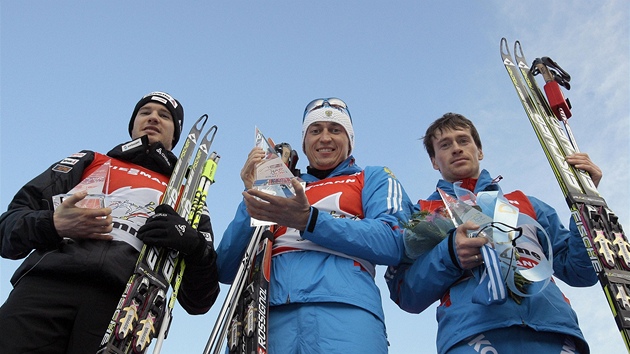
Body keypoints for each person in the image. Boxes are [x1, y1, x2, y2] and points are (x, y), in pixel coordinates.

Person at [0, 91, 219, 353]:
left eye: (164, 116)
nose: (153, 118)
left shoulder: (188, 195)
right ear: (132, 124)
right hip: (43, 289)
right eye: (145, 112)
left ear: (176, 135)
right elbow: (7, 228)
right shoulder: (89, 161)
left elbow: (199, 301)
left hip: (124, 306)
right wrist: (53, 224)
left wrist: (193, 246)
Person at [386, 112, 602, 354]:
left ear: (480, 151)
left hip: (555, 333)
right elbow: (405, 294)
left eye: (463, 140)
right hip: (472, 336)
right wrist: (449, 256)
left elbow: (580, 273)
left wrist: (587, 202)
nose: (456, 149)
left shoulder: (527, 204)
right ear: (434, 161)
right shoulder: (423, 214)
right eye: (445, 145)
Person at [217, 97, 414, 353]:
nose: (324, 138)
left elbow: (395, 241)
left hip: (346, 314)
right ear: (304, 140)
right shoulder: (281, 186)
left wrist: (309, 220)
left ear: (350, 139)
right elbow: (226, 267)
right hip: (268, 316)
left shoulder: (371, 177)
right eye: (315, 130)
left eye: (335, 130)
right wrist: (254, 192)